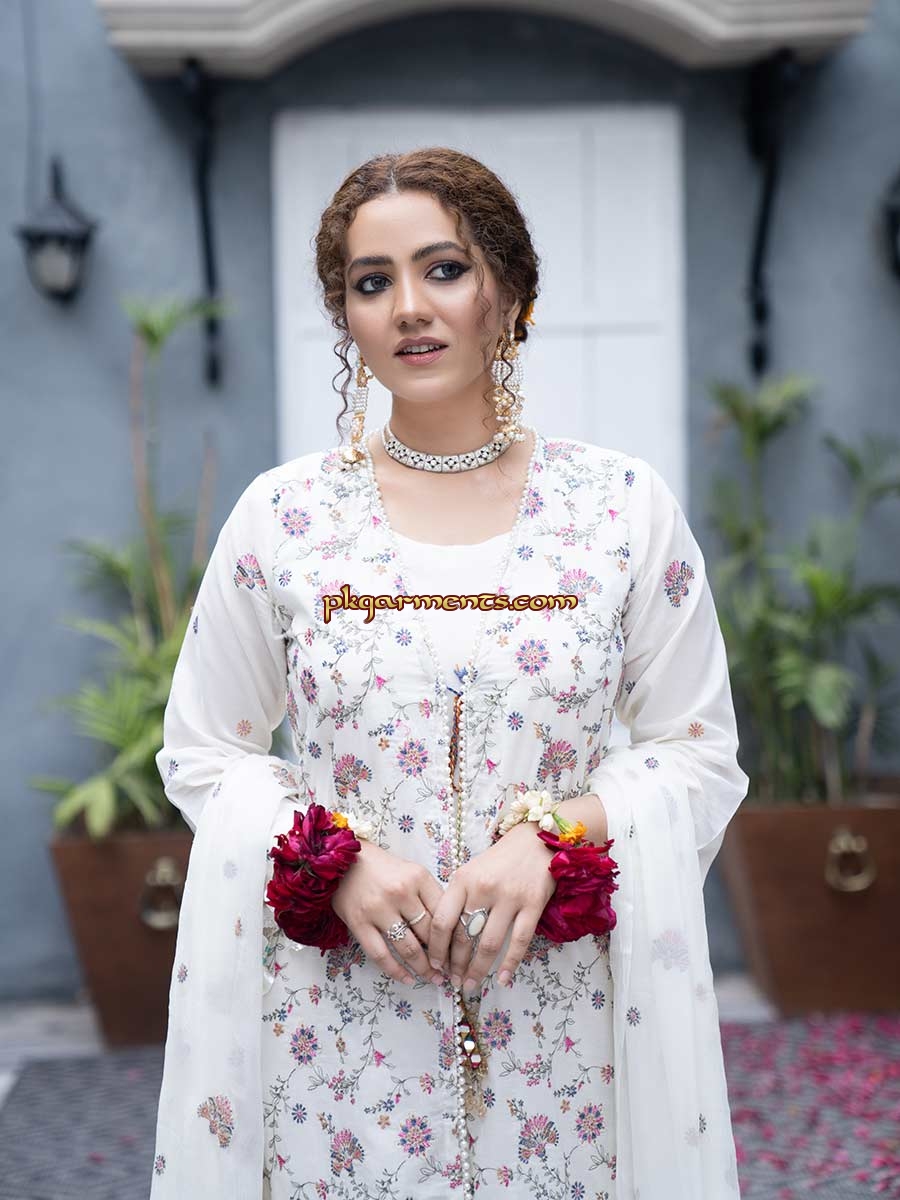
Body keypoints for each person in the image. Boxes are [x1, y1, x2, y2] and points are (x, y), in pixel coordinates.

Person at [149, 147, 750, 1199]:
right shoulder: (285, 518)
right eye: (371, 282)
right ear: (345, 318)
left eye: (444, 269)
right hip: (339, 1034)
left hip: (566, 1028)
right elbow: (205, 751)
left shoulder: (618, 509)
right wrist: (336, 861)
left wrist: (553, 838)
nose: (409, 308)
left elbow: (696, 754)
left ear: (508, 291)